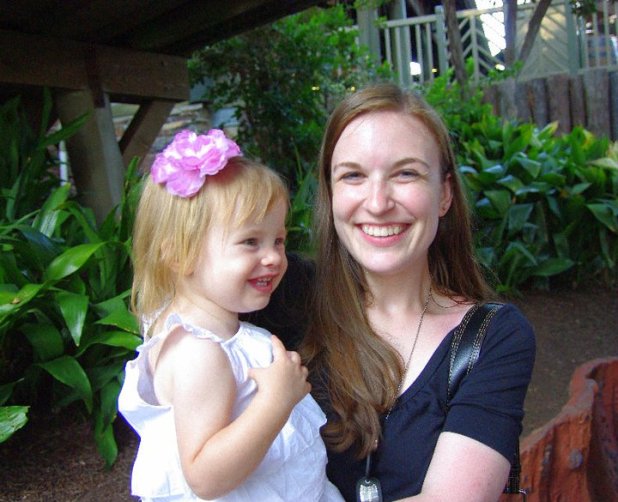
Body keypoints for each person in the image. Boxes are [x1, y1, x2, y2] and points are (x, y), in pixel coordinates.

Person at [300, 83, 536, 501]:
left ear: (444, 194)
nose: (377, 203)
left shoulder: (491, 338)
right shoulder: (290, 306)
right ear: (331, 193)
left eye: (405, 173)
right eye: (353, 175)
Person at [118, 129, 343, 501]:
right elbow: (206, 478)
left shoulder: (211, 335)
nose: (274, 257)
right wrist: (275, 400)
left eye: (278, 240)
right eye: (250, 242)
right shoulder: (198, 354)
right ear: (179, 255)